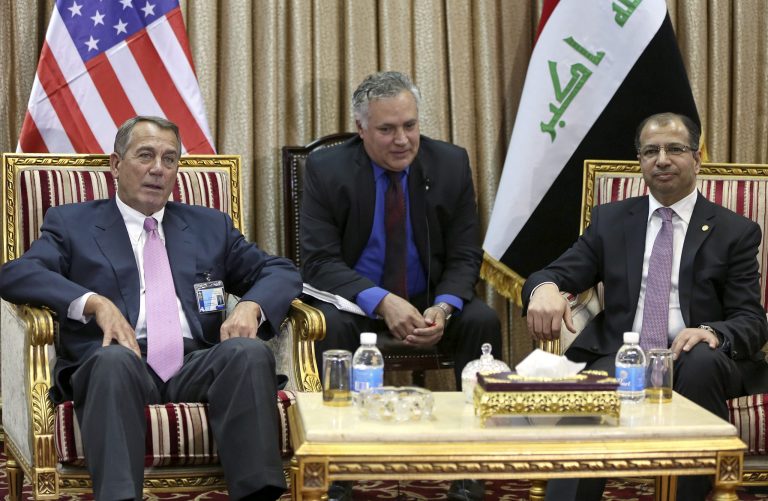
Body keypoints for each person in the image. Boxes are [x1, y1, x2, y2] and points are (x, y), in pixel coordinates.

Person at [0, 116, 301, 501]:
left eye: (170, 159)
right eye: (145, 155)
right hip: (117, 360)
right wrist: (93, 303)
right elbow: (18, 274)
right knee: (112, 362)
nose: (158, 169)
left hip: (197, 364)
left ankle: (258, 494)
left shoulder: (210, 226)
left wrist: (252, 307)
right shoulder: (73, 223)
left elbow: (280, 270)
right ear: (115, 164)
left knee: (247, 352)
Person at [523, 112, 768, 501]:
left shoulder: (734, 231)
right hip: (622, 352)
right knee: (595, 391)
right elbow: (556, 273)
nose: (662, 159)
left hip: (698, 357)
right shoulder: (611, 220)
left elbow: (751, 319)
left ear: (697, 158)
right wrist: (545, 290)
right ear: (640, 161)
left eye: (675, 149)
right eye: (650, 151)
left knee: (700, 362)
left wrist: (714, 333)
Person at [300, 71, 501, 501]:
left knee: (482, 320)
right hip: (353, 302)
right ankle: (338, 476)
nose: (402, 140)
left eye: (410, 125)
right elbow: (318, 262)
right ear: (361, 129)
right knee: (328, 330)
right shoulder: (325, 168)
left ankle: (471, 471)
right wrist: (381, 301)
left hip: (429, 299)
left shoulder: (450, 163)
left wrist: (444, 308)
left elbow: (466, 253)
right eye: (387, 129)